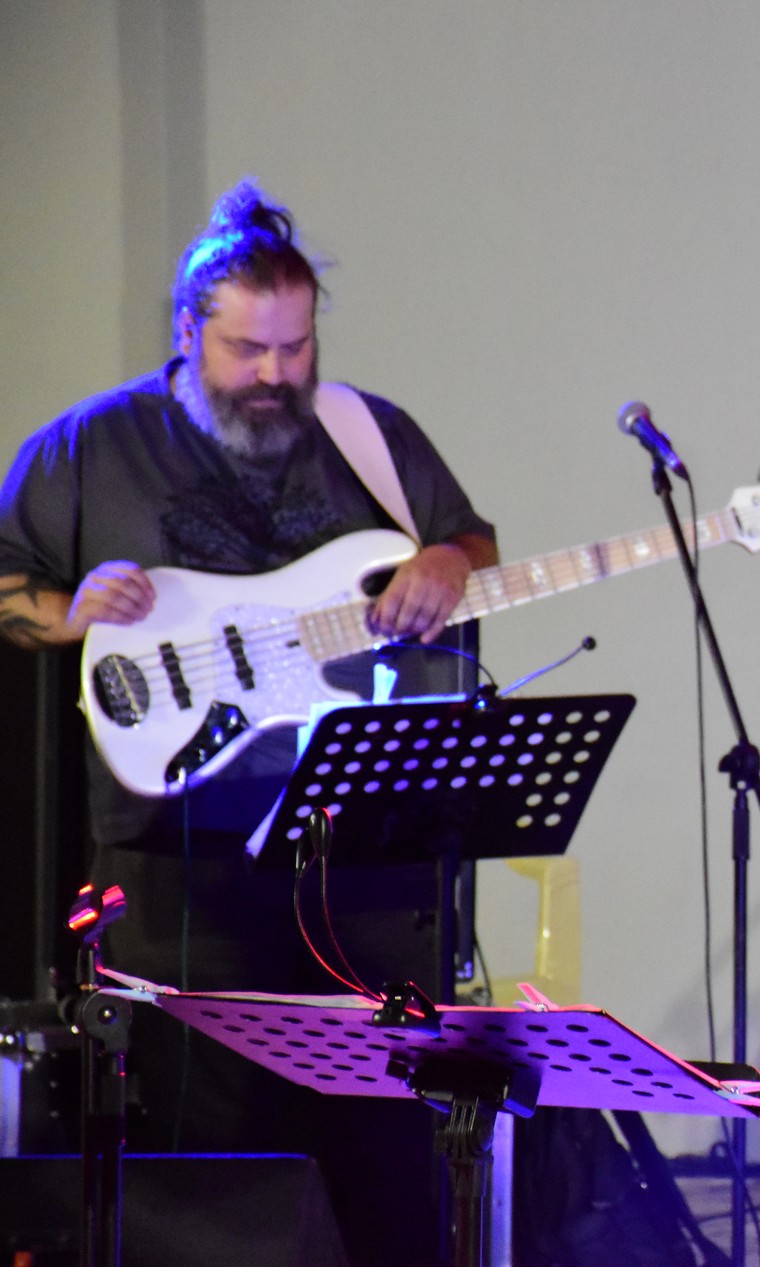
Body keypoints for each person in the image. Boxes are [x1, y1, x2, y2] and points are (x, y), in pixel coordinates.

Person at [0, 179, 499, 1265]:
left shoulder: (369, 433)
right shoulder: (91, 446)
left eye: (296, 347)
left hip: (360, 864)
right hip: (181, 865)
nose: (275, 374)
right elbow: (5, 587)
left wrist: (444, 562)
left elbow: (471, 541)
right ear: (188, 332)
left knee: (385, 1160)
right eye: (247, 350)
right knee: (212, 1172)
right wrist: (71, 609)